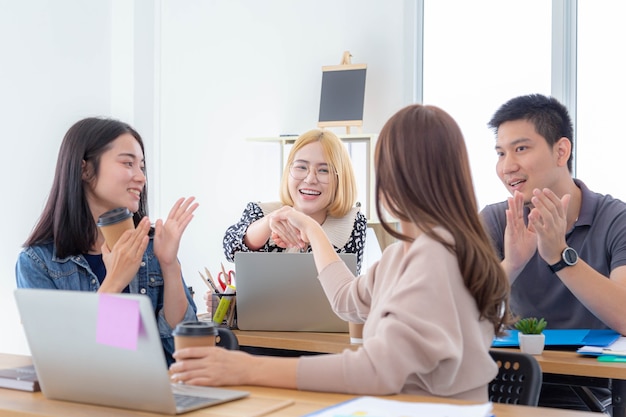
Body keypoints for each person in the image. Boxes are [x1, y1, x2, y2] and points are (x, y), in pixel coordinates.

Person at [170, 104, 511, 401]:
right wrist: (314, 231)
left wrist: (247, 368)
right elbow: (348, 301)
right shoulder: (407, 256)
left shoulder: (435, 256)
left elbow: (376, 370)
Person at [481, 93, 626, 411]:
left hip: (593, 390)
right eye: (501, 153)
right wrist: (513, 264)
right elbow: (461, 317)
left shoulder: (616, 219)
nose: (508, 166)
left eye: (520, 149)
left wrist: (560, 256)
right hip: (506, 385)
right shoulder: (494, 220)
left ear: (561, 150)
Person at [15, 117, 199, 366]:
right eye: (128, 163)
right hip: (85, 399)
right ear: (84, 170)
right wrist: (115, 281)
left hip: (159, 394)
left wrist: (169, 267)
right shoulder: (39, 263)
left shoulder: (153, 246)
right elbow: (63, 361)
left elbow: (183, 352)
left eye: (142, 166)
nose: (141, 177)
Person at [222, 128, 367, 273]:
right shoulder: (260, 212)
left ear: (340, 178)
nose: (310, 179)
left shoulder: (352, 223)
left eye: (324, 170)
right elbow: (232, 249)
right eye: (301, 167)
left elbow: (345, 285)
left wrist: (309, 228)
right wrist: (271, 219)